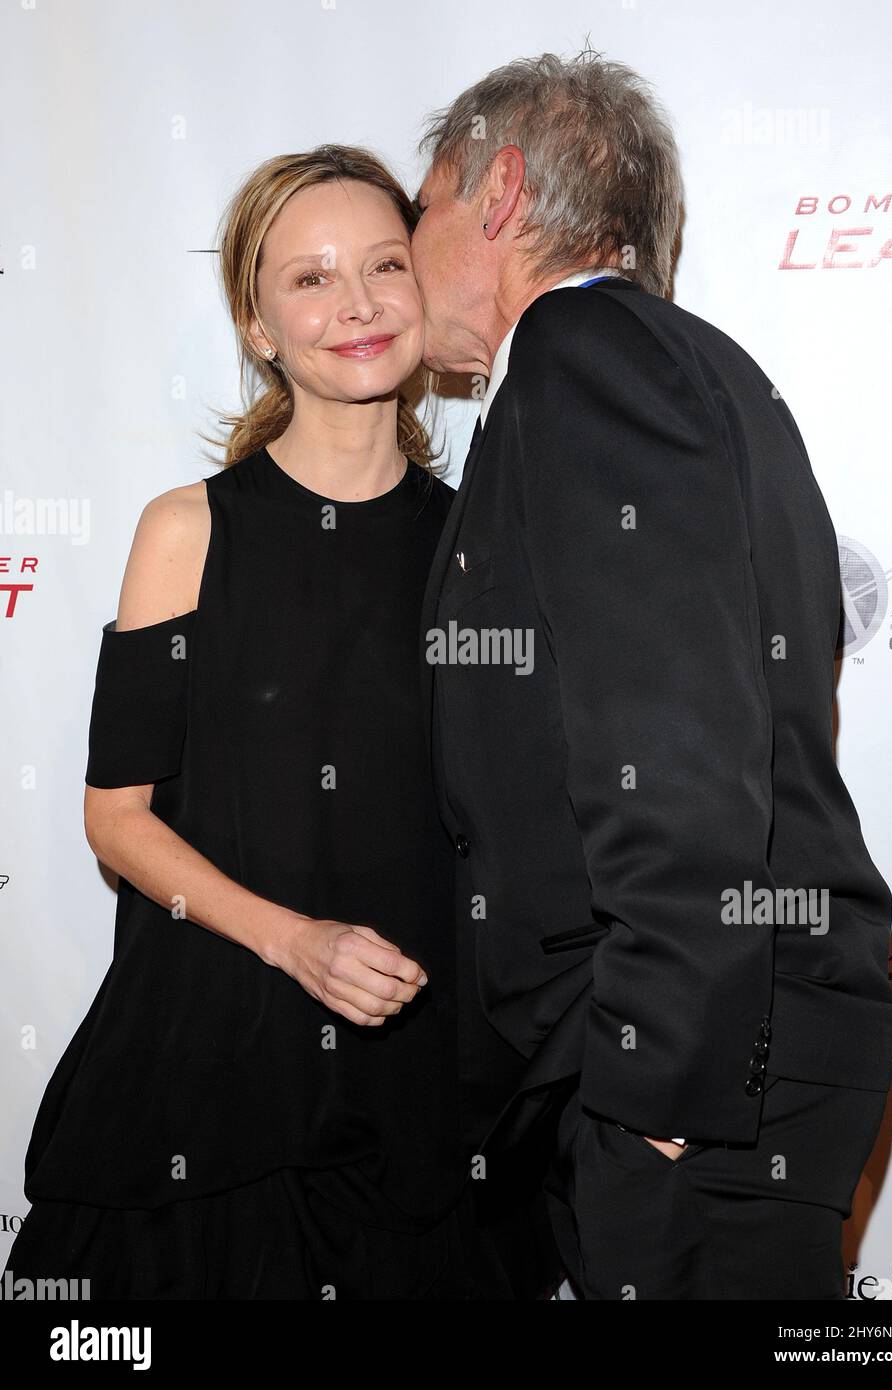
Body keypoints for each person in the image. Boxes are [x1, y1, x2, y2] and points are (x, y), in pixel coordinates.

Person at [410, 50, 892, 1300]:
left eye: (423, 204)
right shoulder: (686, 364)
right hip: (722, 1052)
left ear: (500, 191)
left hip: (693, 1072)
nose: (409, 241)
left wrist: (656, 1088)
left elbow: (678, 748)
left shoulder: (587, 355)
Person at [3, 145, 525, 1300]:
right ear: (257, 326)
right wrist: (295, 942)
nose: (355, 305)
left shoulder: (477, 546)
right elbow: (117, 821)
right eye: (309, 279)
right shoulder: (187, 531)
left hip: (412, 1096)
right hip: (209, 1073)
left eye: (383, 264)